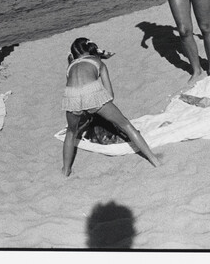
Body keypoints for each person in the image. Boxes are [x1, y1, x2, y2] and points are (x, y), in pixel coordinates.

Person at [60, 38, 161, 176]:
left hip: (71, 95)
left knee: (71, 133)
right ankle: (154, 160)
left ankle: (65, 170)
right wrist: (99, 108)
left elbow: (75, 88)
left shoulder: (69, 67)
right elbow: (110, 95)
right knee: (125, 124)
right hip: (92, 92)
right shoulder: (98, 63)